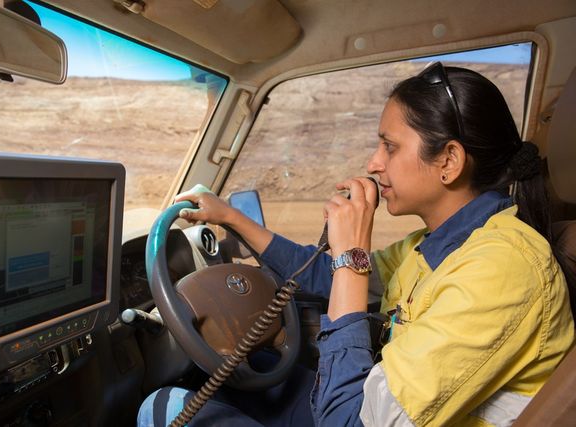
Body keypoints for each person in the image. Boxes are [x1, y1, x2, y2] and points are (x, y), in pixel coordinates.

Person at [138, 62, 575, 426]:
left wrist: (351, 256)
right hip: (374, 399)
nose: (373, 163)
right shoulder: (442, 243)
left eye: (389, 146)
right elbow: (327, 279)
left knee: (161, 409)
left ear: (448, 161)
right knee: (253, 370)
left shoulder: (500, 270)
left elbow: (348, 421)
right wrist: (232, 218)